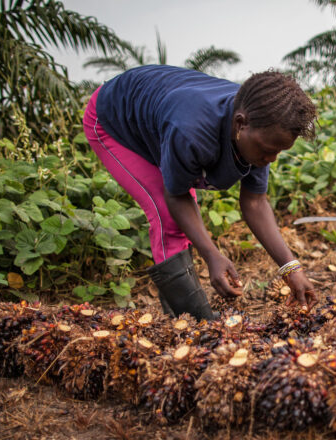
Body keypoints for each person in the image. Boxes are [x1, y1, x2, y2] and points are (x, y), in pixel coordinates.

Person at [83, 65, 318, 319]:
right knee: (167, 214)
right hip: (116, 120)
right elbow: (176, 195)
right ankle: (194, 322)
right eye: (268, 149)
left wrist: (291, 268)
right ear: (240, 125)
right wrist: (211, 254)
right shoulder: (192, 130)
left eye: (279, 152)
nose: (271, 158)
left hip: (163, 119)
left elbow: (255, 203)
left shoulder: (263, 123)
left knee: (183, 212)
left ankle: (178, 308)